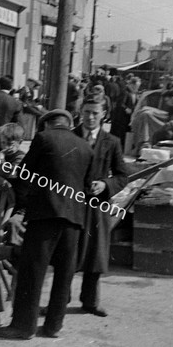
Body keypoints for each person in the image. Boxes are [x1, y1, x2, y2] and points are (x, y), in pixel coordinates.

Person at [0, 109, 93, 340]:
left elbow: (25, 174)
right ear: (68, 124)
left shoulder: (43, 138)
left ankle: (23, 327)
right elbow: (88, 186)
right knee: (64, 274)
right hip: (74, 219)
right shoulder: (86, 146)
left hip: (45, 214)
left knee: (32, 271)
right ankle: (53, 327)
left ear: (46, 125)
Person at [73, 97, 128, 317]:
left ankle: (90, 301)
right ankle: (60, 299)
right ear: (80, 112)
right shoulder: (71, 136)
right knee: (69, 252)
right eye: (86, 112)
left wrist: (106, 184)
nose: (90, 117)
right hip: (73, 203)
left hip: (98, 205)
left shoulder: (112, 141)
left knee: (96, 253)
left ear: (103, 114)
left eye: (95, 113)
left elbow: (122, 176)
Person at [111, 76, 140, 151]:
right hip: (121, 118)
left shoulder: (135, 94)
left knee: (126, 134)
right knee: (119, 134)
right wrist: (126, 109)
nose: (137, 88)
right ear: (132, 84)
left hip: (129, 118)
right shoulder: (125, 92)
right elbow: (120, 103)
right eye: (136, 86)